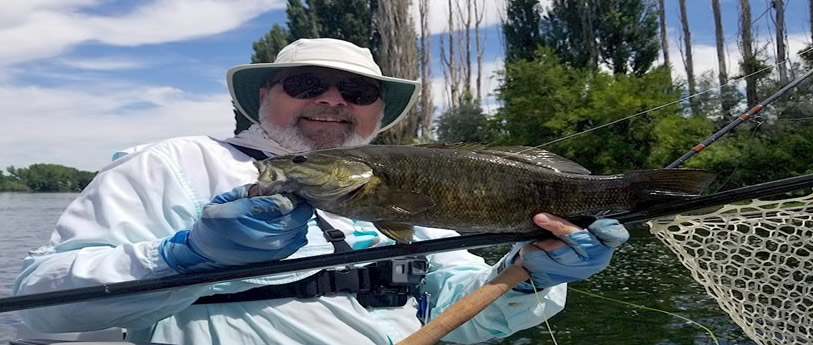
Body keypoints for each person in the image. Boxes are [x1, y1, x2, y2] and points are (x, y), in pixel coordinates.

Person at [13, 38, 629, 345]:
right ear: (264, 97)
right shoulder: (175, 164)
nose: (333, 101)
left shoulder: (413, 187)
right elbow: (40, 308)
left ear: (376, 115)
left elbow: (461, 316)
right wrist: (185, 258)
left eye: (358, 93)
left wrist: (530, 273)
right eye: (309, 84)